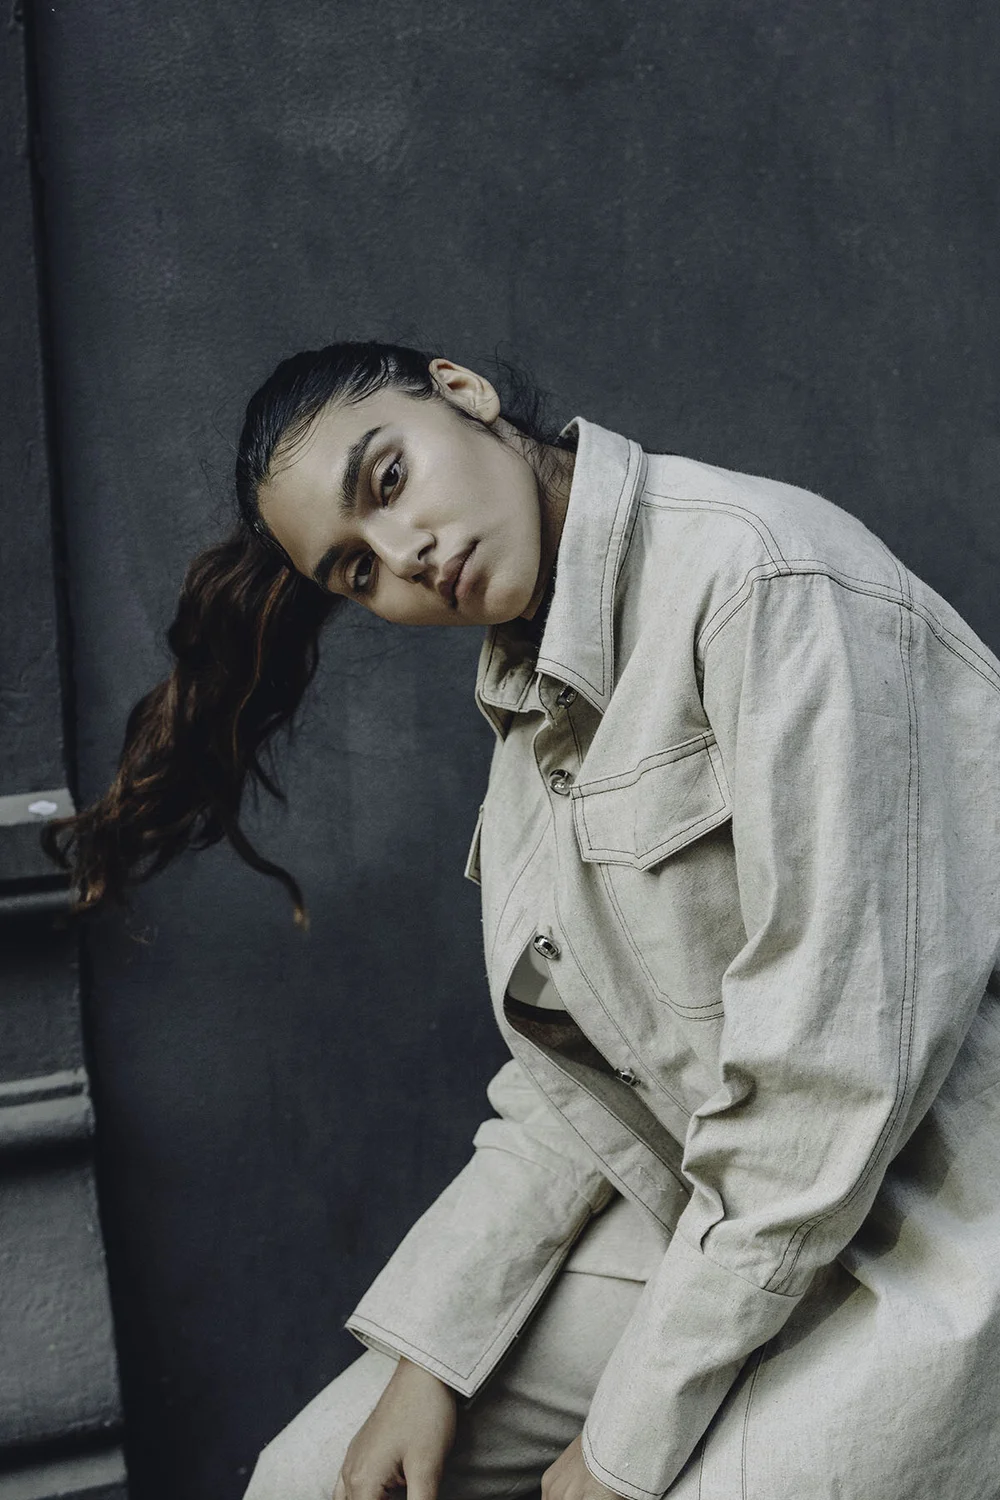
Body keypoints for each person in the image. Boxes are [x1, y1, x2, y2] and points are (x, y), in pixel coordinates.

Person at [46, 342, 1000, 1500]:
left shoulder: (762, 582)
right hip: (727, 1214)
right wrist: (433, 1359)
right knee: (311, 1480)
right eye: (356, 571)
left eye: (388, 479)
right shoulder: (530, 720)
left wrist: (620, 1445)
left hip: (934, 1220)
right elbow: (573, 1088)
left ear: (464, 393)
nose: (405, 555)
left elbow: (829, 1085)